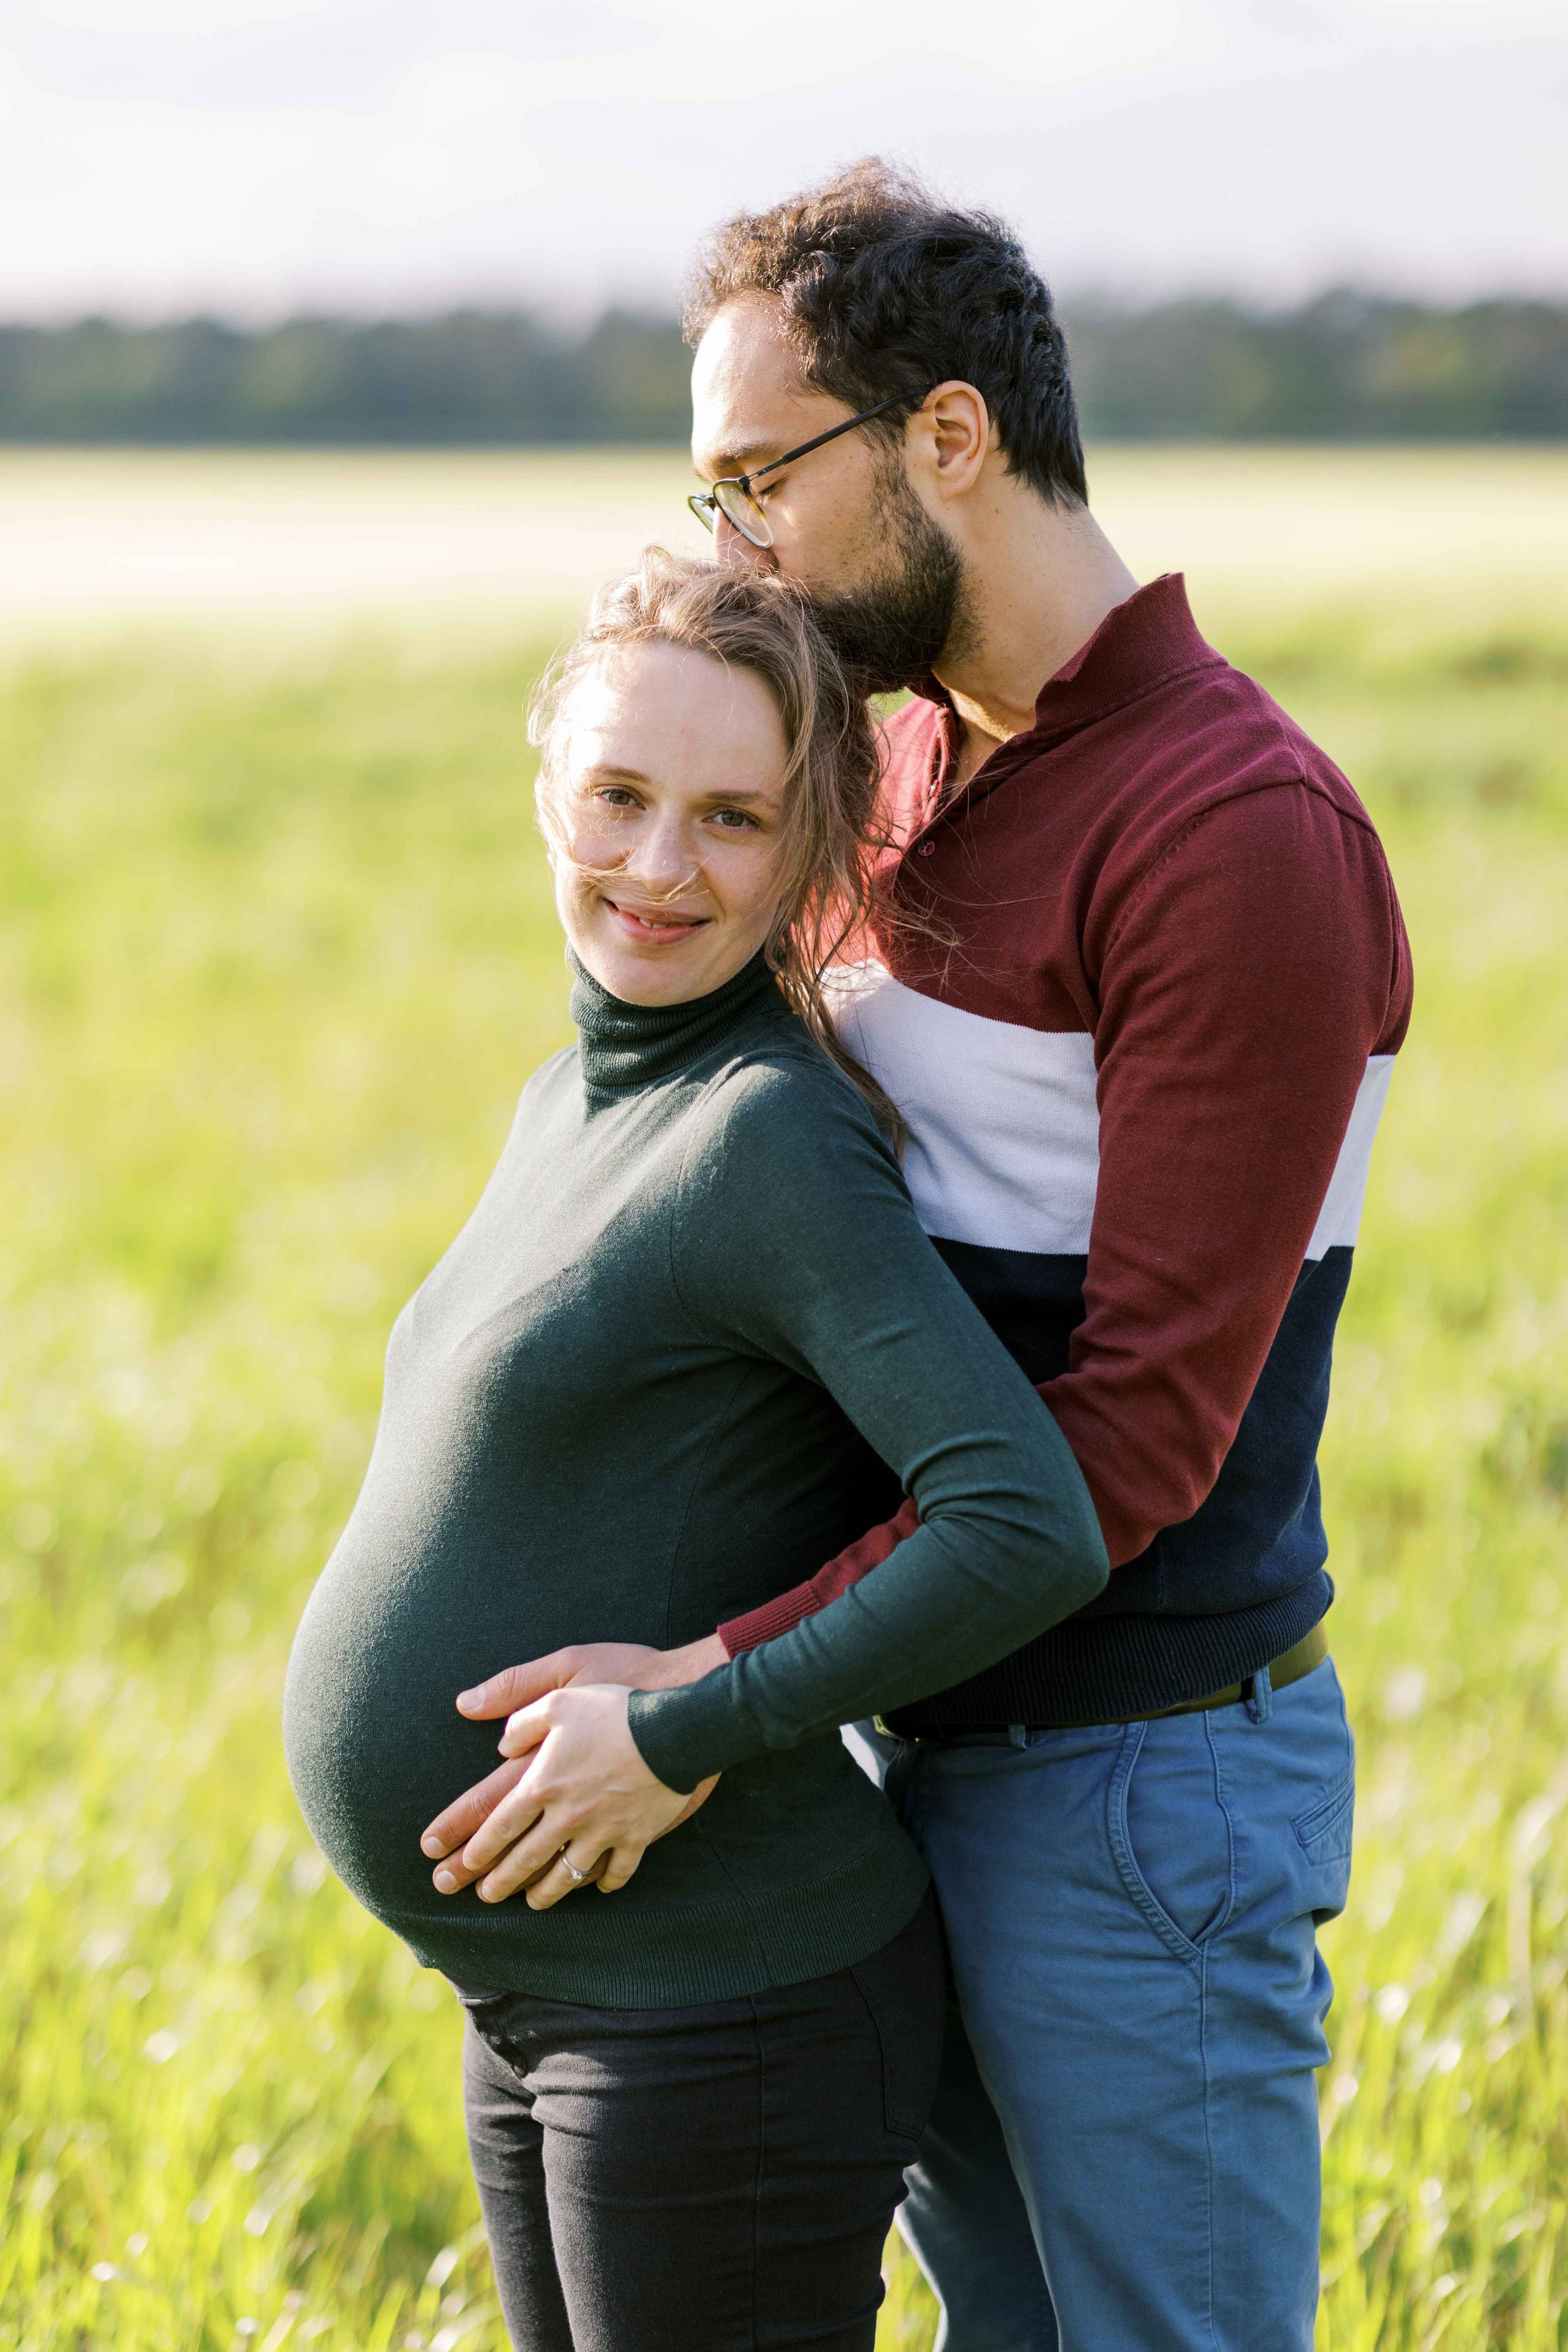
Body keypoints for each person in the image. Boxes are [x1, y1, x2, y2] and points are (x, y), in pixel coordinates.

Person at [428, 165, 1415, 2352]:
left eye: (759, 479)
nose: (732, 547)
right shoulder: (888, 765)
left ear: (945, 440)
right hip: (906, 1736)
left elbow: (1137, 1444)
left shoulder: (1234, 837)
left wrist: (709, 1698)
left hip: (1132, 1773)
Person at [284, 551, 1108, 2352]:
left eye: (733, 818)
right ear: (546, 796)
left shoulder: (766, 1138)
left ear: (814, 847)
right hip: (556, 1984)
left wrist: (686, 1723)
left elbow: (1022, 1516)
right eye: (621, 798)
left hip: (727, 2003)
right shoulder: (582, 1087)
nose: (661, 867)